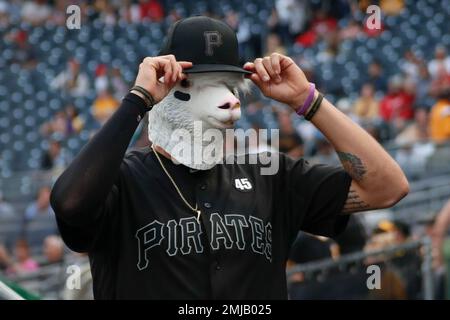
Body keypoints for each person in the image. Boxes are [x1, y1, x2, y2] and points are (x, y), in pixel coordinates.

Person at [50, 16, 408, 299]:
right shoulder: (122, 180)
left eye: (227, 84)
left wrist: (307, 100)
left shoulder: (270, 173)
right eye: (196, 83)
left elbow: (387, 187)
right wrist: (138, 99)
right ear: (167, 90)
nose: (227, 100)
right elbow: (69, 203)